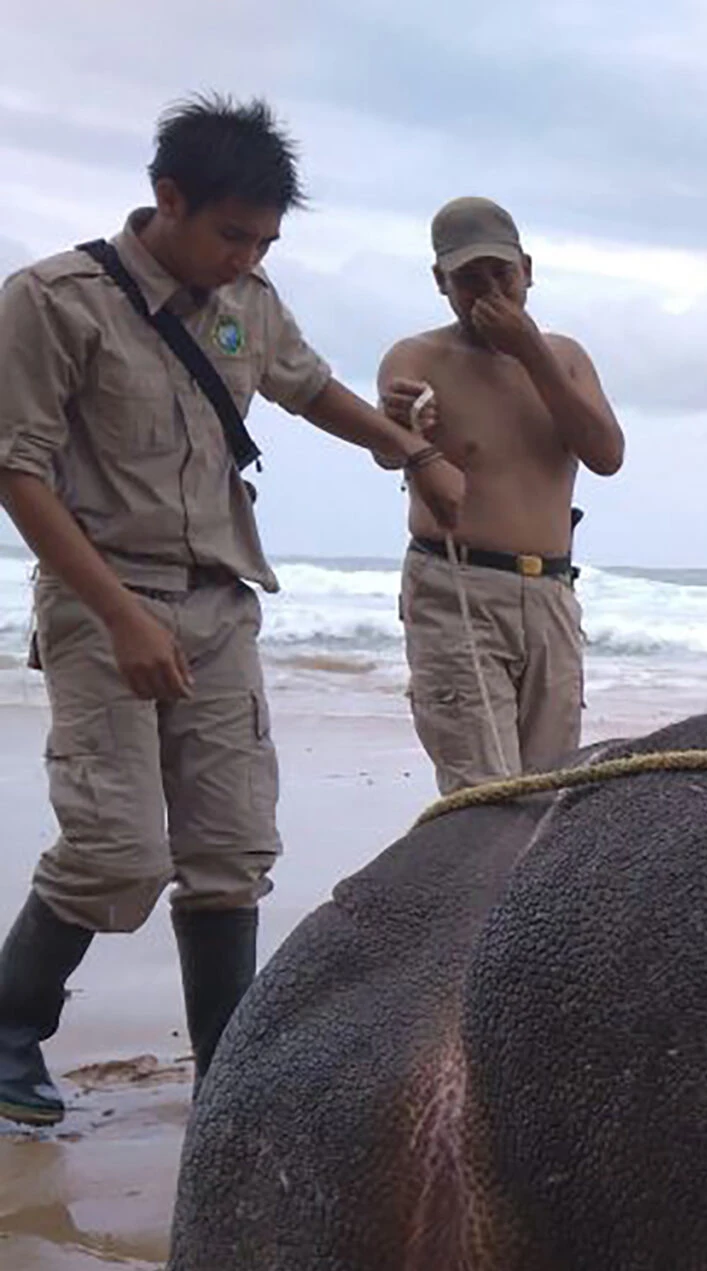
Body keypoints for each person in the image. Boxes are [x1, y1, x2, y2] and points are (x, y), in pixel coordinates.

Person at [0, 93, 466, 1128]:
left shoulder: (247, 298)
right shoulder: (53, 299)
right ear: (166, 199)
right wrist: (120, 617)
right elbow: (18, 471)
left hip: (221, 602)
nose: (247, 257)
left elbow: (308, 388)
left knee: (231, 849)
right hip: (102, 602)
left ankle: (230, 1074)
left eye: (265, 240)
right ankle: (10, 1023)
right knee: (118, 849)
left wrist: (415, 453)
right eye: (230, 234)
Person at [377, 196, 624, 793]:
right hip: (457, 587)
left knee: (549, 791)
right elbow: (388, 452)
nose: (489, 292)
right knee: (482, 793)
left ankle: (523, 891)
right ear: (441, 282)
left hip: (550, 593)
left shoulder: (563, 358)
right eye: (468, 279)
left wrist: (530, 350)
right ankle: (464, 889)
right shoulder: (417, 357)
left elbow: (606, 454)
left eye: (502, 275)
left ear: (528, 271)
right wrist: (402, 422)